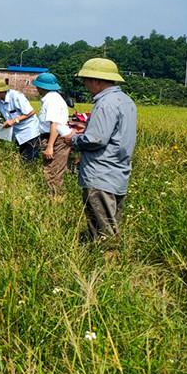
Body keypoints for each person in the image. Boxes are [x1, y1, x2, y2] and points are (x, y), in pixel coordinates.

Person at [61, 58, 136, 243]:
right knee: (111, 224)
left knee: (102, 232)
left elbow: (96, 139)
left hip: (100, 173)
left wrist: (74, 139)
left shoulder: (105, 103)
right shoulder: (126, 101)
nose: (85, 85)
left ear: (96, 80)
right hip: (118, 173)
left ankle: (106, 267)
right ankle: (112, 264)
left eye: (86, 80)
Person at [33, 73, 72, 194]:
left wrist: (50, 146)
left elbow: (54, 123)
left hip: (55, 139)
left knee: (53, 172)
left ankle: (55, 201)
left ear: (42, 87)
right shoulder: (53, 98)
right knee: (53, 171)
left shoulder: (52, 100)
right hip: (54, 138)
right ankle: (54, 199)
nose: (36, 89)